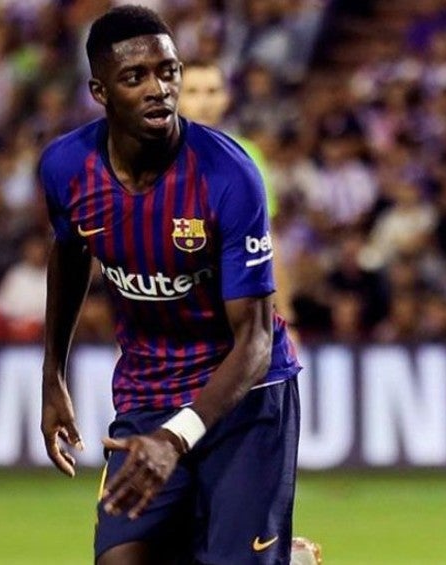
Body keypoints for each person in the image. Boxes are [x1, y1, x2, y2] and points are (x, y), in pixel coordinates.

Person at [38, 6, 302, 564]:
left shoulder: (229, 175)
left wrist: (176, 437)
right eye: (135, 77)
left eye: (168, 71)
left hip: (244, 397)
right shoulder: (66, 167)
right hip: (148, 392)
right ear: (100, 91)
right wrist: (52, 374)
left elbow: (255, 339)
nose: (158, 89)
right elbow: (69, 253)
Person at [177, 59, 298, 332]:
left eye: (212, 91)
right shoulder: (152, 157)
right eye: (193, 92)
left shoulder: (246, 155)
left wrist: (286, 317)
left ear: (226, 99)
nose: (204, 102)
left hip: (232, 310)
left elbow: (267, 239)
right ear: (175, 97)